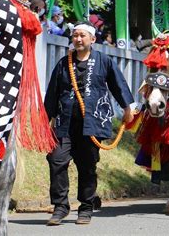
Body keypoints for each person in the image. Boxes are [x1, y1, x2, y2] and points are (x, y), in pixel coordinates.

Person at [44, 22, 135, 225]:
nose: (78, 39)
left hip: (92, 122)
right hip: (65, 122)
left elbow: (118, 85)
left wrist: (128, 108)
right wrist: (47, 117)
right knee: (56, 159)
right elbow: (52, 91)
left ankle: (86, 206)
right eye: (75, 36)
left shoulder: (103, 61)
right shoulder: (63, 63)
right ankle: (60, 206)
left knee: (87, 166)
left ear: (92, 39)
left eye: (82, 36)